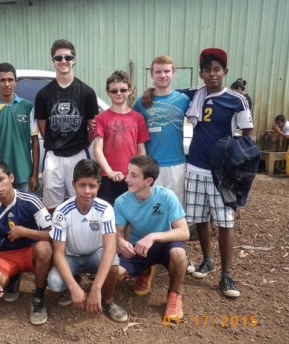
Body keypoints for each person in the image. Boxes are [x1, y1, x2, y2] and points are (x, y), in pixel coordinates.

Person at [182, 48, 254, 298]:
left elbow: (249, 134)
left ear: (225, 71)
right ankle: (208, 260)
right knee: (200, 218)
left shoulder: (237, 99)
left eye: (216, 69)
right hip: (195, 167)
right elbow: (167, 94)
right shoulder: (194, 94)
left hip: (220, 171)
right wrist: (148, 93)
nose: (212, 74)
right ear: (201, 73)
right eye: (207, 70)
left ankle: (226, 276)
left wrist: (241, 164)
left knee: (225, 222)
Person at [47, 159, 128, 323]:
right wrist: (73, 288)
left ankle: (107, 301)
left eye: (92, 186)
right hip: (72, 258)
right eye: (82, 185)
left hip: (94, 255)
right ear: (73, 184)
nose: (87, 191)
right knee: (55, 283)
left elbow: (110, 248)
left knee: (113, 265)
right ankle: (75, 279)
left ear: (99, 186)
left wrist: (96, 289)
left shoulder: (105, 209)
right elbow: (58, 253)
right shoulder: (62, 212)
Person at [115, 155, 189, 322]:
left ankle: (174, 295)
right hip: (138, 247)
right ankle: (146, 269)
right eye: (128, 173)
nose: (127, 179)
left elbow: (184, 232)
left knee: (179, 254)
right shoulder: (121, 202)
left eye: (134, 176)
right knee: (116, 274)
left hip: (164, 244)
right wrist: (121, 241)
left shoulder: (167, 196)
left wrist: (153, 236)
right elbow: (118, 231)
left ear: (148, 181)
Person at [0, 159, 52, 325]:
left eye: (1, 180)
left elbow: (54, 234)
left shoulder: (30, 200)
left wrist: (24, 231)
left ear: (11, 178)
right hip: (8, 255)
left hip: (31, 251)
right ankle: (13, 276)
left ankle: (39, 296)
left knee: (45, 248)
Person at [35, 39, 99, 212]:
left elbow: (92, 127)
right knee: (51, 203)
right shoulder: (43, 94)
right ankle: (56, 237)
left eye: (68, 57)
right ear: (53, 61)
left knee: (82, 200)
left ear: (74, 60)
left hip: (79, 153)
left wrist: (83, 144)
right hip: (54, 156)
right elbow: (43, 127)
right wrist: (56, 142)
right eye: (59, 58)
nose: (63, 61)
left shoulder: (87, 92)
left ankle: (79, 238)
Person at [133, 56, 190, 208]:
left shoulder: (184, 100)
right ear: (151, 75)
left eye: (166, 71)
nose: (162, 75)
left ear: (173, 73)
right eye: (158, 72)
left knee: (175, 208)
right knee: (153, 207)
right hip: (152, 164)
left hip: (177, 164)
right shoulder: (141, 103)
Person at [0, 62, 40, 192]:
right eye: (2, 80)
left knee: (25, 210)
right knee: (1, 211)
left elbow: (35, 141)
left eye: (10, 80)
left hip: (24, 173)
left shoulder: (27, 106)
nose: (7, 84)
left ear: (15, 81)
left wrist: (35, 174)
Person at [93, 70, 149, 206]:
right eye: (114, 91)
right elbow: (97, 150)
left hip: (131, 177)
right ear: (108, 92)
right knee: (108, 215)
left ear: (130, 90)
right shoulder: (101, 118)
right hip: (107, 178)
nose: (118, 93)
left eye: (123, 90)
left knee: (131, 214)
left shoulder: (138, 118)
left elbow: (141, 150)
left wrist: (138, 173)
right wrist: (110, 172)